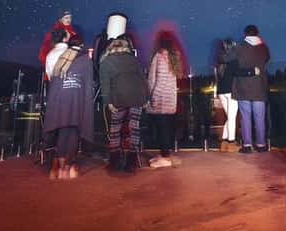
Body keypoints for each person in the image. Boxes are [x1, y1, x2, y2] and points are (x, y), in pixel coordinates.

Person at [99, 13, 148, 174]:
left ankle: (114, 162)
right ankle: (131, 163)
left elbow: (105, 84)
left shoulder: (106, 61)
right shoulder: (133, 59)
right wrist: (146, 98)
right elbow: (142, 79)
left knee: (115, 128)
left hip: (118, 97)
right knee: (134, 128)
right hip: (137, 97)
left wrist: (108, 102)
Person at [43, 29, 96, 179]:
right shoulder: (82, 58)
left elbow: (51, 77)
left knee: (63, 130)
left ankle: (58, 167)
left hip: (58, 97)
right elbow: (87, 82)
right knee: (73, 130)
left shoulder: (57, 56)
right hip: (76, 97)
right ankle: (67, 166)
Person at [222, 25, 270, 153]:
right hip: (259, 86)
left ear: (245, 34)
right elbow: (267, 59)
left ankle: (247, 145)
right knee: (260, 116)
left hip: (243, 87)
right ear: (257, 33)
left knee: (245, 117)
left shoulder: (240, 47)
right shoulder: (264, 47)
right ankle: (261, 144)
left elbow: (226, 58)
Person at [147, 31, 182, 168]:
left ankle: (165, 158)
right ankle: (164, 155)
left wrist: (153, 97)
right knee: (166, 128)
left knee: (161, 130)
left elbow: (156, 80)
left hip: (160, 99)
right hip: (170, 99)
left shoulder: (159, 56)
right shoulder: (174, 57)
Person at [39, 10, 80, 78]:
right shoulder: (54, 32)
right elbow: (44, 51)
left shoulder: (73, 33)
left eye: (70, 17)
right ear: (60, 19)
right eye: (66, 18)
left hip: (71, 65)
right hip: (55, 65)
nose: (68, 20)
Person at [215, 39, 240, 149]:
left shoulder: (219, 60)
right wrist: (252, 71)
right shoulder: (234, 60)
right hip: (231, 91)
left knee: (230, 116)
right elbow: (239, 72)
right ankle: (231, 142)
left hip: (221, 92)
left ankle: (224, 141)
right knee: (232, 117)